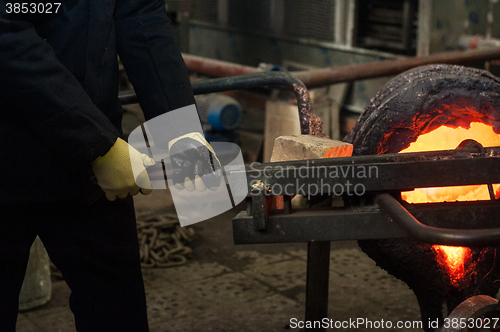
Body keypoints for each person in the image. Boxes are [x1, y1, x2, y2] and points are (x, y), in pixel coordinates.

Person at [0, 0, 216, 330]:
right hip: (13, 154)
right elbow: (7, 34)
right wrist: (98, 146)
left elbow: (140, 16)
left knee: (117, 312)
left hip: (88, 167)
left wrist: (179, 130)